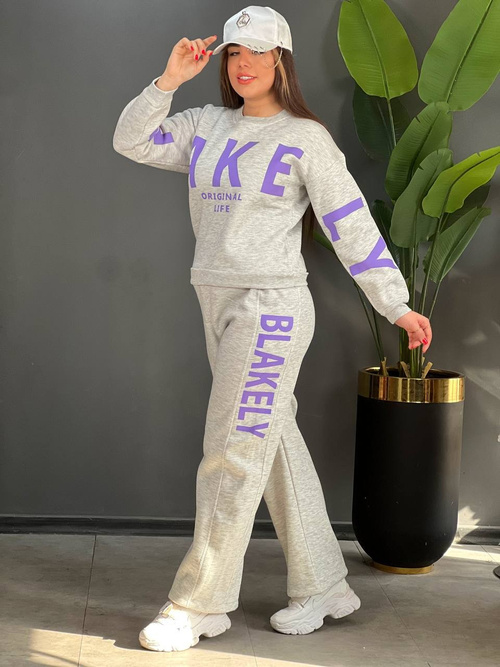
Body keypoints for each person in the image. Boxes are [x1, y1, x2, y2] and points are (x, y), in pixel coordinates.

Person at [113, 5, 432, 653]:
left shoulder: (306, 139)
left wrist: (395, 303)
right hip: (217, 299)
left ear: (281, 61)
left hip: (271, 310)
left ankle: (198, 603)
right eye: (235, 52)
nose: (245, 63)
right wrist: (168, 81)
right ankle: (324, 584)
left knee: (231, 452)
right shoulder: (205, 125)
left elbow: (348, 222)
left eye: (259, 52)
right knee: (270, 440)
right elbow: (132, 140)